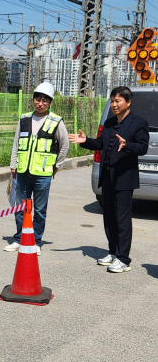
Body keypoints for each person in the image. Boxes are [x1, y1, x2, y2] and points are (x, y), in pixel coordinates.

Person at [68, 86, 149, 273]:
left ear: (128, 102)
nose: (114, 104)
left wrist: (127, 144)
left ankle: (124, 258)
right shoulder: (110, 123)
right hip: (107, 176)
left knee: (122, 219)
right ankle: (113, 252)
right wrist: (85, 141)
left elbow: (142, 148)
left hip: (124, 178)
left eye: (118, 101)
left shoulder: (138, 123)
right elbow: (100, 144)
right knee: (109, 218)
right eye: (112, 101)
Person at [4, 82, 69, 254]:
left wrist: (57, 165)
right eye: (37, 99)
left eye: (44, 100)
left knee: (39, 210)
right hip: (23, 171)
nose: (40, 103)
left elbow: (64, 145)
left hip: (43, 173)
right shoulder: (24, 119)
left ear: (50, 102)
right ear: (33, 100)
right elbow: (16, 143)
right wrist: (13, 165)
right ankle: (19, 239)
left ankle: (36, 242)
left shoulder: (56, 121)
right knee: (21, 207)